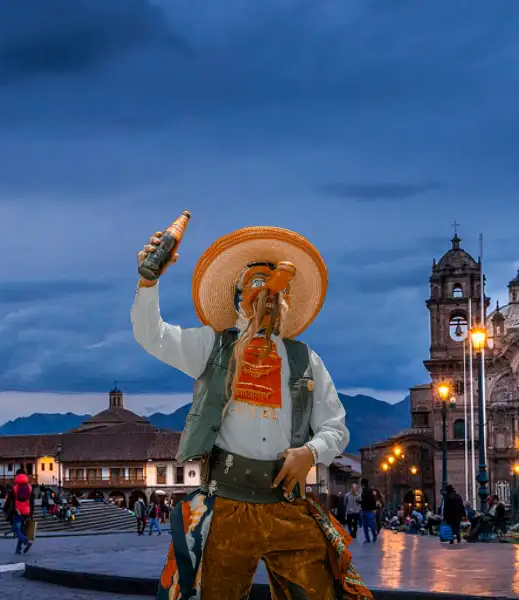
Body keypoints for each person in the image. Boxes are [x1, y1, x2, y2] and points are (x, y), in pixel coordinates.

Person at [133, 225, 370, 599]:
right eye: (257, 286)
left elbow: (336, 428)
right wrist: (149, 283)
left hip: (286, 503)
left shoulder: (305, 359)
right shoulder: (212, 347)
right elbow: (153, 336)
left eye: (275, 289)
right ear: (239, 298)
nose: (268, 296)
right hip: (227, 503)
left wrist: (310, 452)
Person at [11, 471, 33, 554]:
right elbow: (32, 501)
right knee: (22, 530)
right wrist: (31, 512)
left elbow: (11, 501)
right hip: (26, 511)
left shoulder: (15, 488)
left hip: (18, 511)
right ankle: (18, 549)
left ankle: (26, 542)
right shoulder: (30, 488)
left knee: (16, 529)